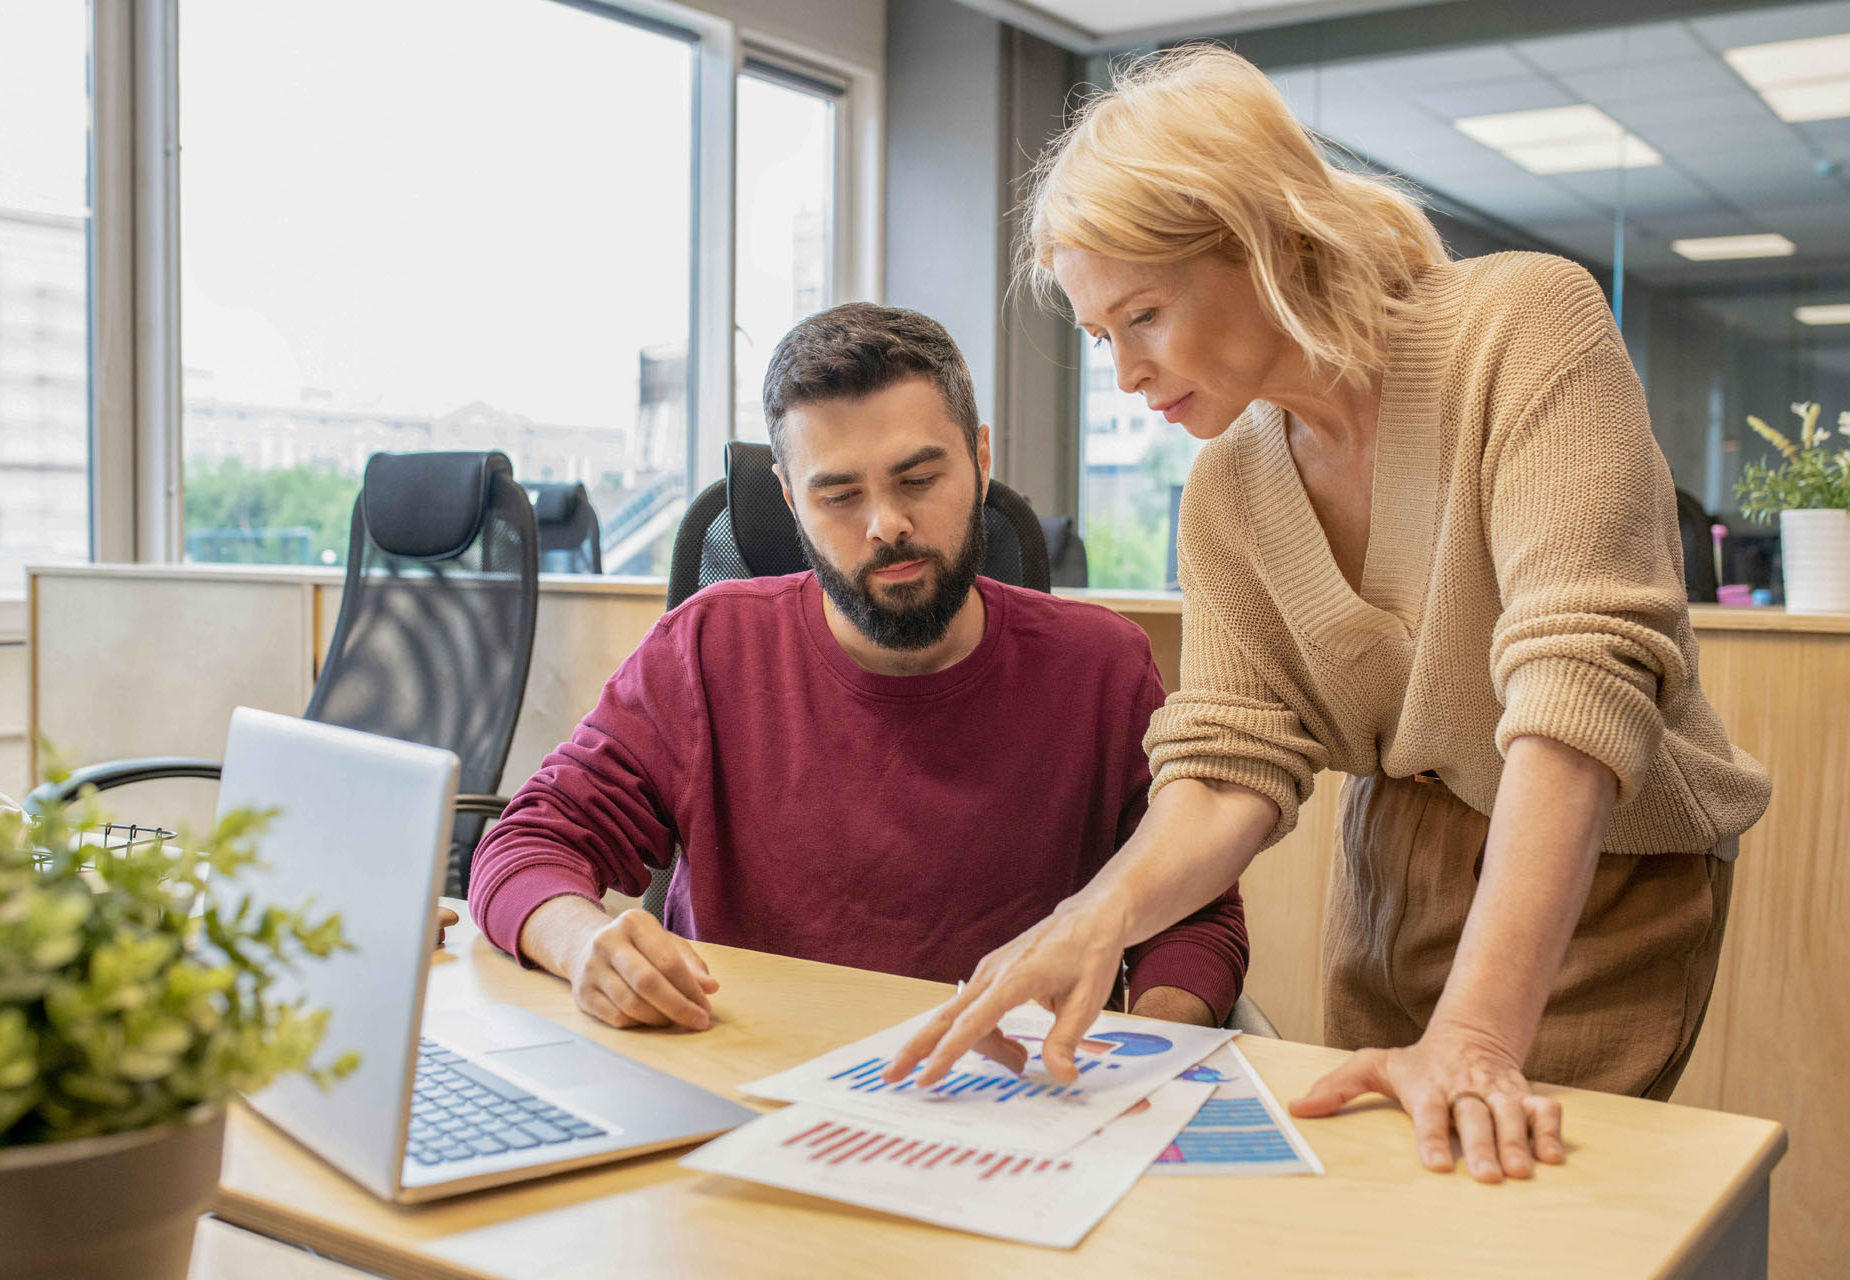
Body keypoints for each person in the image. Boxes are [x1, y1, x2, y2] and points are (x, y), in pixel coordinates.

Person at [886, 46, 1771, 1185]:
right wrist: (1094, 914)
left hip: (1596, 857)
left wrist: (1478, 1032)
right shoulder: (1230, 488)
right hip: (1394, 858)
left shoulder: (1522, 325)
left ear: (1270, 237)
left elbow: (1579, 685)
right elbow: (1227, 761)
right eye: (1103, 336)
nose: (1127, 377)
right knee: (1377, 1199)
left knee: (1507, 1199)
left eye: (1145, 315)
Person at [468, 303, 1248, 1035]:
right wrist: (582, 947)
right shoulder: (706, 650)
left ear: (980, 459)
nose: (888, 526)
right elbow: (526, 845)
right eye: (838, 495)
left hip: (1010, 1099)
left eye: (918, 480)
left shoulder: (1101, 668)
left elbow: (1193, 912)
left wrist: (1151, 1047)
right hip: (741, 1079)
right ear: (789, 498)